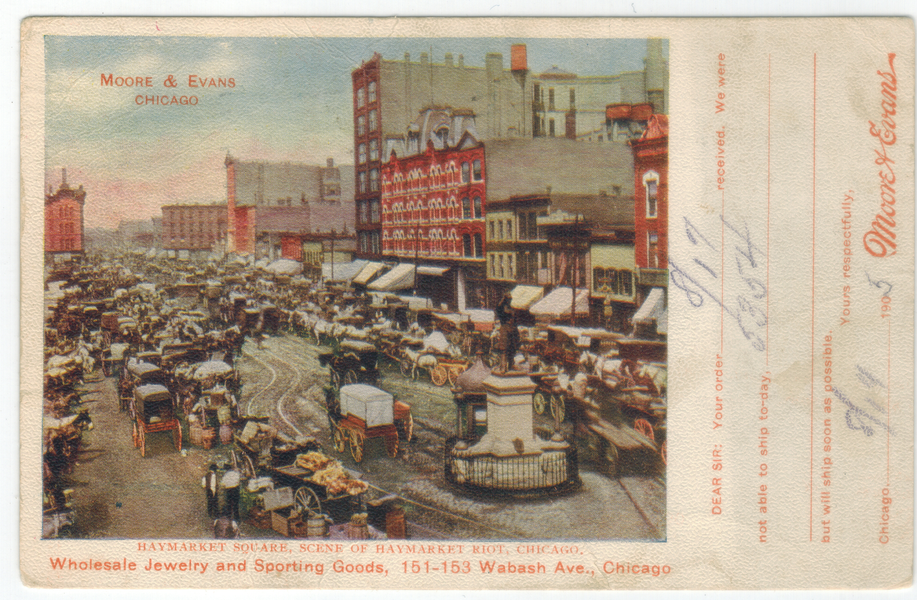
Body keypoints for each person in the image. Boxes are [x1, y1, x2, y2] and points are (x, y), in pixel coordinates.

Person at [495, 292, 519, 372]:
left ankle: (511, 364)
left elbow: (515, 320)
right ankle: (503, 366)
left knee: (512, 348)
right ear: (505, 300)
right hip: (505, 328)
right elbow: (498, 308)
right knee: (504, 349)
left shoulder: (512, 308)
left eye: (510, 299)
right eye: (508, 299)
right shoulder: (502, 308)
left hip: (512, 329)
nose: (509, 301)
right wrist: (503, 299)